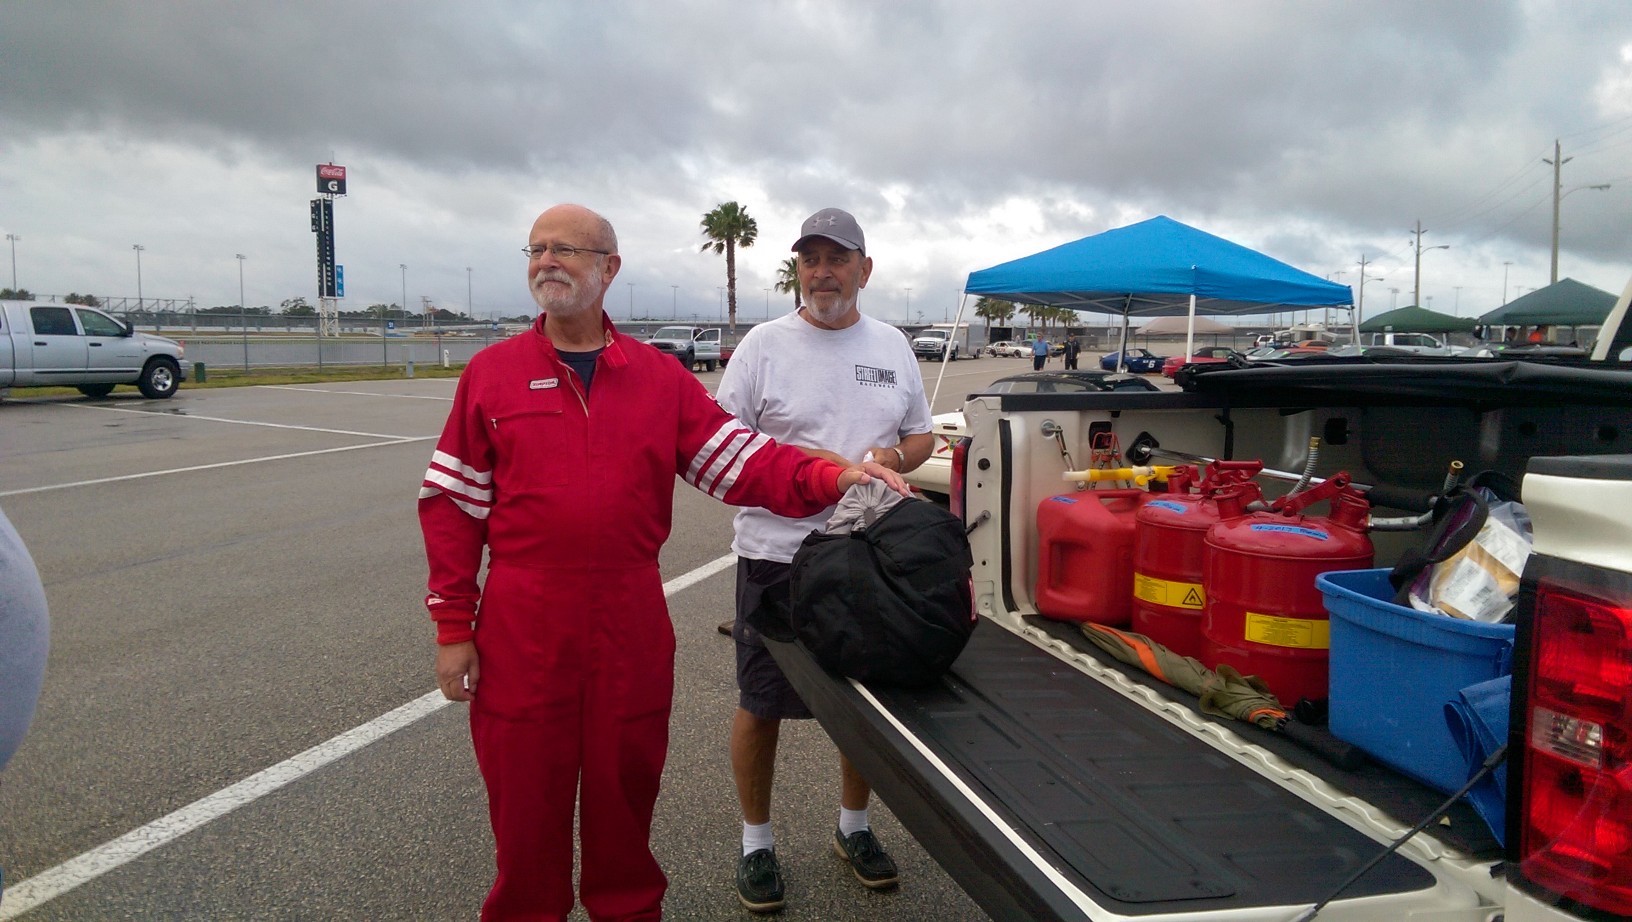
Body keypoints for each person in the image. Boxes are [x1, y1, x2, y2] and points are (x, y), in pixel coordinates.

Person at [418, 204, 906, 922]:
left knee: (625, 795)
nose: (548, 262)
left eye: (568, 251)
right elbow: (453, 506)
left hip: (629, 619)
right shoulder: (492, 376)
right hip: (524, 621)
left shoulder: (659, 380)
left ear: (609, 269)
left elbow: (745, 464)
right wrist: (453, 625)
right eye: (537, 249)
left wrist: (831, 479)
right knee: (525, 807)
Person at [717, 207, 934, 914]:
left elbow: (922, 438)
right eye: (810, 259)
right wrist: (811, 462)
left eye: (837, 258)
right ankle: (756, 843)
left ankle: (854, 829)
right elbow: (724, 445)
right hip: (775, 554)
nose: (822, 272)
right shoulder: (763, 346)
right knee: (761, 703)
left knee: (862, 704)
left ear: (864, 270)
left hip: (864, 557)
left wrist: (892, 458)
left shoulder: (893, 345)